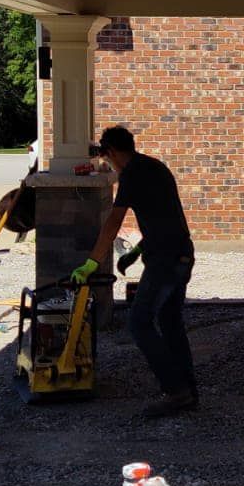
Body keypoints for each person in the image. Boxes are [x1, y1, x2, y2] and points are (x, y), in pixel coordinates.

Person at [73, 126, 198, 417]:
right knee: (170, 323)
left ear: (113, 152)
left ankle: (177, 392)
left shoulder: (131, 174)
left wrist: (93, 261)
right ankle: (188, 390)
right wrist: (138, 250)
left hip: (165, 261)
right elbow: (165, 216)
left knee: (140, 323)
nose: (107, 162)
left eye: (106, 155)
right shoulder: (155, 167)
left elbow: (114, 222)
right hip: (181, 254)